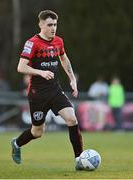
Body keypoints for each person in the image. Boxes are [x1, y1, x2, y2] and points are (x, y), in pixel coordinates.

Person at [11, 10, 83, 170]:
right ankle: (16, 143)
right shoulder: (32, 43)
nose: (53, 28)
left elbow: (64, 58)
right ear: (41, 24)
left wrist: (72, 79)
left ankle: (79, 160)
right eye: (50, 25)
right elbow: (21, 67)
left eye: (55, 25)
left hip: (55, 91)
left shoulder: (58, 41)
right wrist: (40, 72)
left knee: (72, 119)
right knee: (37, 132)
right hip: (37, 94)